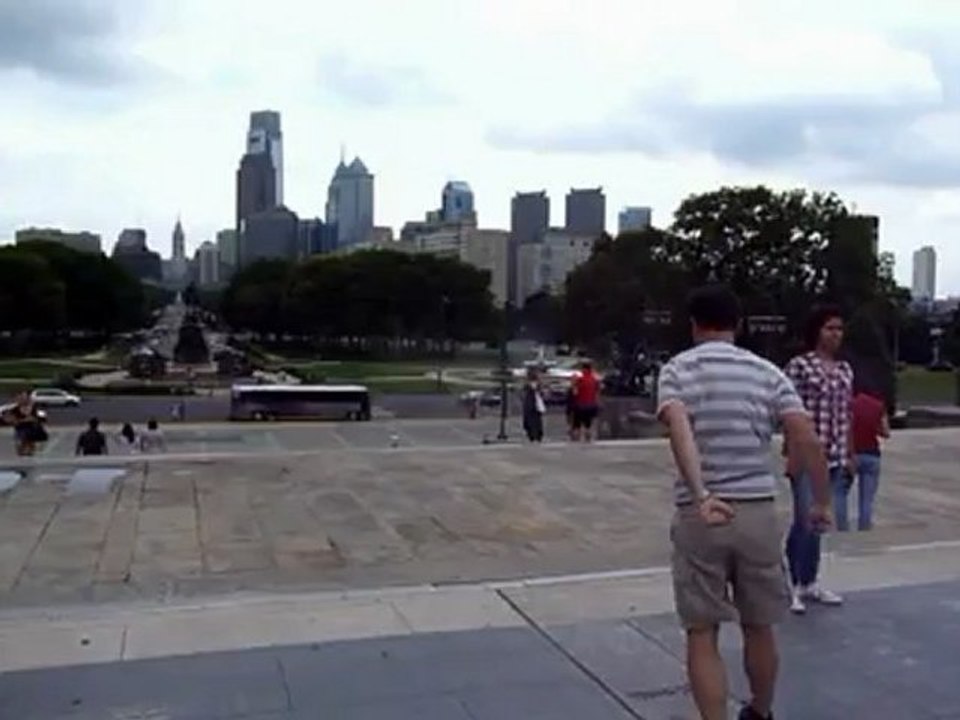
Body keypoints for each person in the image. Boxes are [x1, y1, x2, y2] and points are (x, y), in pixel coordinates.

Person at [657, 284, 831, 720]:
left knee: (702, 631)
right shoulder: (768, 372)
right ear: (739, 325)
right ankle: (762, 711)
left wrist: (701, 495)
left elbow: (679, 429)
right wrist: (822, 501)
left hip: (703, 515)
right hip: (758, 510)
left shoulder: (677, 370)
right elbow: (806, 435)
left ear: (694, 324)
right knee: (760, 625)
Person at [784, 304, 853, 613]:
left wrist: (850, 452)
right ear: (817, 331)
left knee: (820, 521)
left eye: (839, 328)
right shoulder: (800, 366)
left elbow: (846, 413)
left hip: (835, 455)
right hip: (807, 454)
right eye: (830, 328)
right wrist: (793, 453)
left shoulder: (844, 370)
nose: (836, 334)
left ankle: (809, 580)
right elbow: (788, 411)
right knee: (804, 520)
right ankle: (791, 581)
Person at [848, 378, 890, 531]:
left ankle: (841, 526)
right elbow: (885, 432)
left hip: (851, 454)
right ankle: (864, 527)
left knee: (840, 494)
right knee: (866, 499)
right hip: (872, 454)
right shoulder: (878, 406)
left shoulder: (849, 405)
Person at [3, 392, 46, 457]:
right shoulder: (14, 409)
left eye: (24, 397)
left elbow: (40, 418)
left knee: (30, 449)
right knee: (20, 449)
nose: (21, 399)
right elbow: (8, 419)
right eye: (20, 398)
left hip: (32, 430)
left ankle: (29, 452)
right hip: (21, 429)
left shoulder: (35, 408)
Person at [570, 359, 601, 442]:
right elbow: (598, 392)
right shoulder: (595, 379)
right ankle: (588, 440)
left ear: (583, 369)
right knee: (588, 425)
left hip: (580, 405)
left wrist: (573, 384)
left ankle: (575, 441)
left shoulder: (580, 380)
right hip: (591, 405)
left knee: (576, 425)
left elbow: (575, 392)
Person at [521, 369, 546, 443]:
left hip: (530, 405)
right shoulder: (538, 385)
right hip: (536, 405)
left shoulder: (527, 386)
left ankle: (533, 435)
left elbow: (523, 395)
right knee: (537, 420)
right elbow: (542, 394)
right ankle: (537, 435)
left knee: (531, 421)